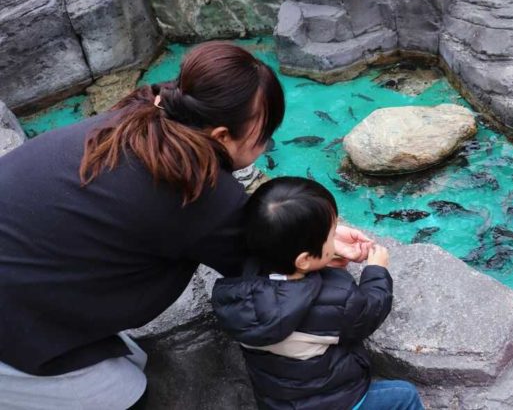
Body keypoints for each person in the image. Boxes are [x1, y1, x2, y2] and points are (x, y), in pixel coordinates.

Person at [0, 42, 373, 409]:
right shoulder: (197, 191)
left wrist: (318, 228)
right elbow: (268, 258)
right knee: (125, 393)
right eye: (262, 139)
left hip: (19, 273)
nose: (264, 148)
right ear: (221, 137)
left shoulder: (143, 108)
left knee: (129, 359)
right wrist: (316, 243)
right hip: (11, 322)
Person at [211, 176, 424, 410]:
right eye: (331, 236)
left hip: (277, 403)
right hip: (334, 402)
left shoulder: (234, 294)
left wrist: (321, 259)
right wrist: (376, 270)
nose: (334, 240)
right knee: (404, 395)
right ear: (303, 259)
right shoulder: (335, 301)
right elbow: (371, 311)